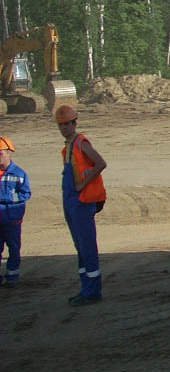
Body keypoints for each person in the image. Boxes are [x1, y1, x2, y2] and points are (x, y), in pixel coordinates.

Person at [55, 104, 107, 306]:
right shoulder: (68, 147)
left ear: (75, 123)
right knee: (80, 248)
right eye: (61, 125)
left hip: (81, 201)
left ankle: (93, 291)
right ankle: (86, 289)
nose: (65, 127)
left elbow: (101, 163)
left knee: (87, 247)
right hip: (71, 201)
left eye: (68, 123)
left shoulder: (80, 143)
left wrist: (83, 183)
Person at [0, 136, 31, 288]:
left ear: (9, 153)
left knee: (14, 249)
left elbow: (25, 194)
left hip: (13, 220)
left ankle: (12, 277)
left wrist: (6, 198)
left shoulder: (19, 174)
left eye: (0, 153)